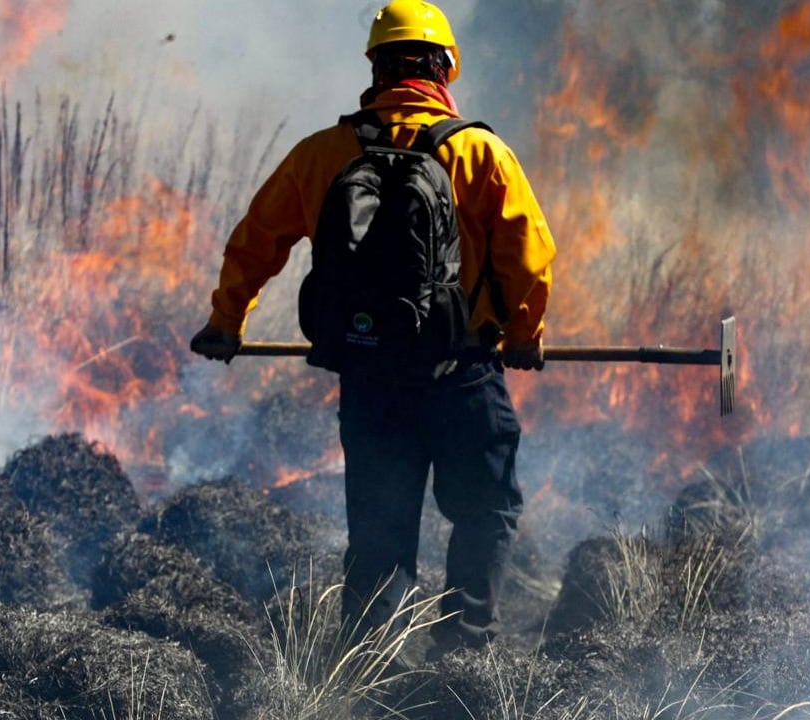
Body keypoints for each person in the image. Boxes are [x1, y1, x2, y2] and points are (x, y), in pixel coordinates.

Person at [190, 0, 556, 658]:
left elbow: (254, 243)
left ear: (376, 67)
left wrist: (225, 323)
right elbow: (529, 261)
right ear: (444, 68)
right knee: (485, 511)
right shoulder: (480, 153)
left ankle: (363, 673)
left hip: (369, 379)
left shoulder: (323, 152)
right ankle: (462, 655)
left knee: (380, 537)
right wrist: (525, 336)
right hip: (462, 377)